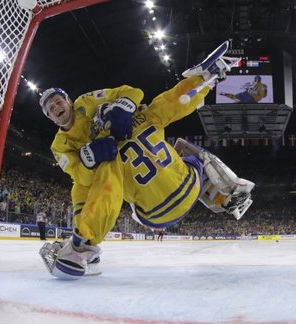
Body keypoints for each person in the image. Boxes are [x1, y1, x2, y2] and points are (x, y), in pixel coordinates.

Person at [39, 41, 254, 279]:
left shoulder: (103, 157)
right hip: (189, 189)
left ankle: (82, 246)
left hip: (152, 217)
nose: (56, 106)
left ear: (68, 101)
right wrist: (203, 81)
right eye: (50, 108)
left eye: (58, 101)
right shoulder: (145, 115)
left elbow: (97, 188)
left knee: (93, 187)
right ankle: (228, 192)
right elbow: (174, 101)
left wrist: (91, 158)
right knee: (183, 147)